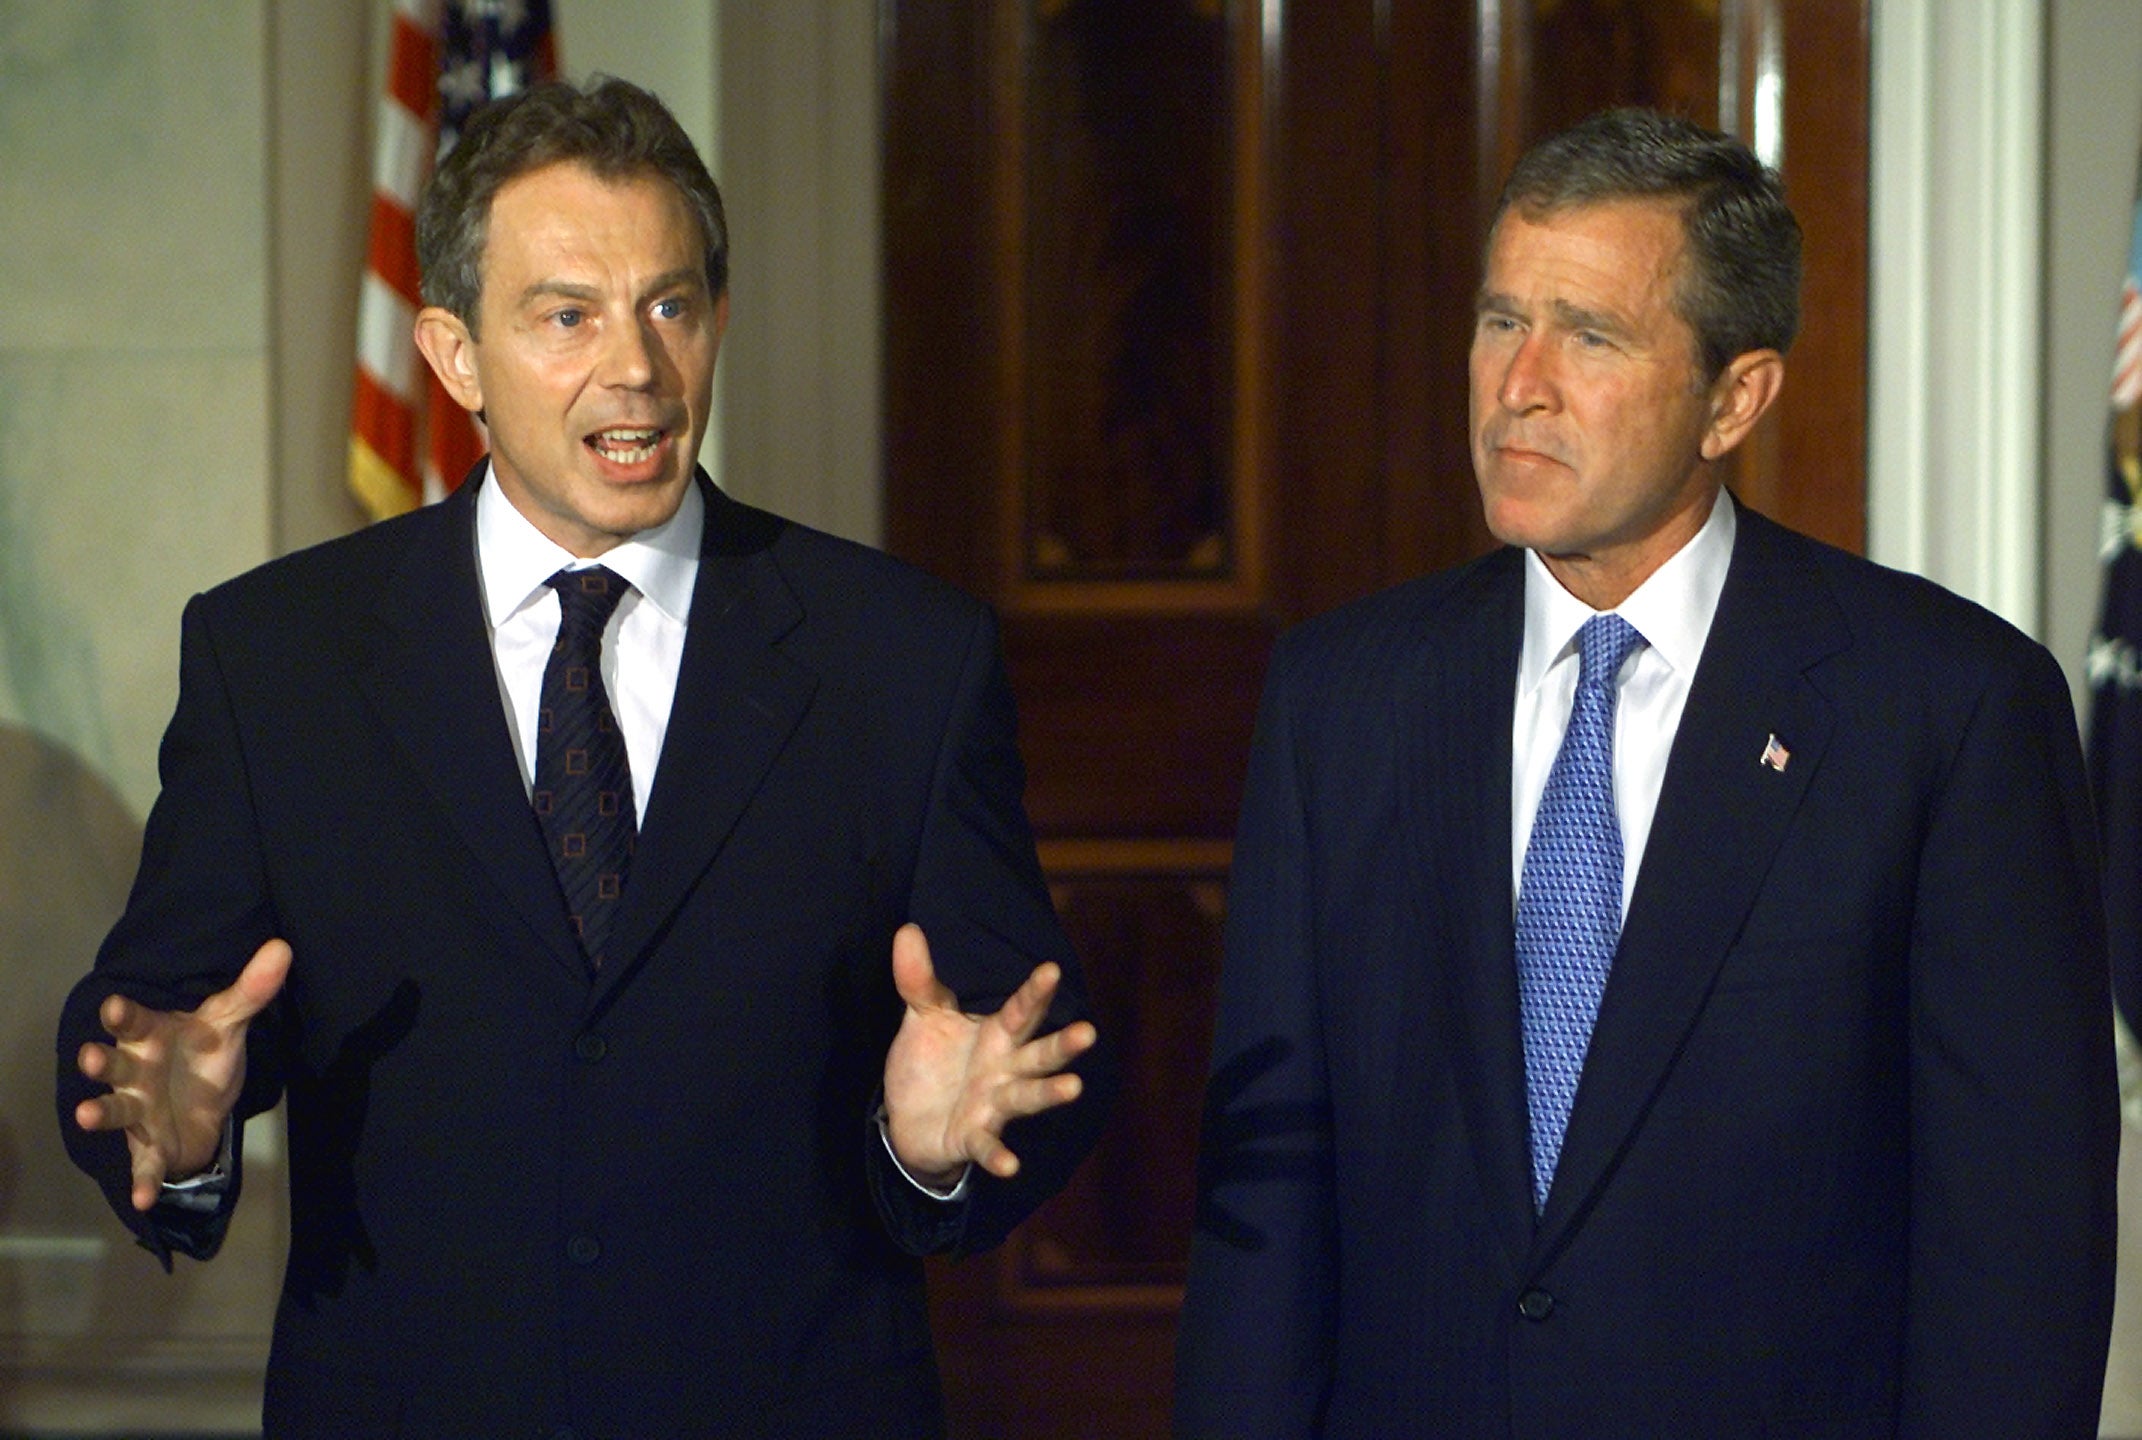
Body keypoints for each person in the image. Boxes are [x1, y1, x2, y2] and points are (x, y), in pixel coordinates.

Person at [57, 76, 1110, 1439]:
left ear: (717, 321)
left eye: (670, 306)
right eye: (566, 316)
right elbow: (154, 1028)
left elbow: (1023, 1054)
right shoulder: (278, 659)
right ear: (450, 354)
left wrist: (930, 1158)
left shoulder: (900, 657)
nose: (637, 368)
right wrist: (174, 1129)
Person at [1174, 107, 2117, 1438]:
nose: (1520, 385)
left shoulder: (1946, 708)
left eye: (1591, 336)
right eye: (1502, 321)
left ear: (1734, 397)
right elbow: (1265, 1191)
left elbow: (2017, 1239)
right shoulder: (1344, 695)